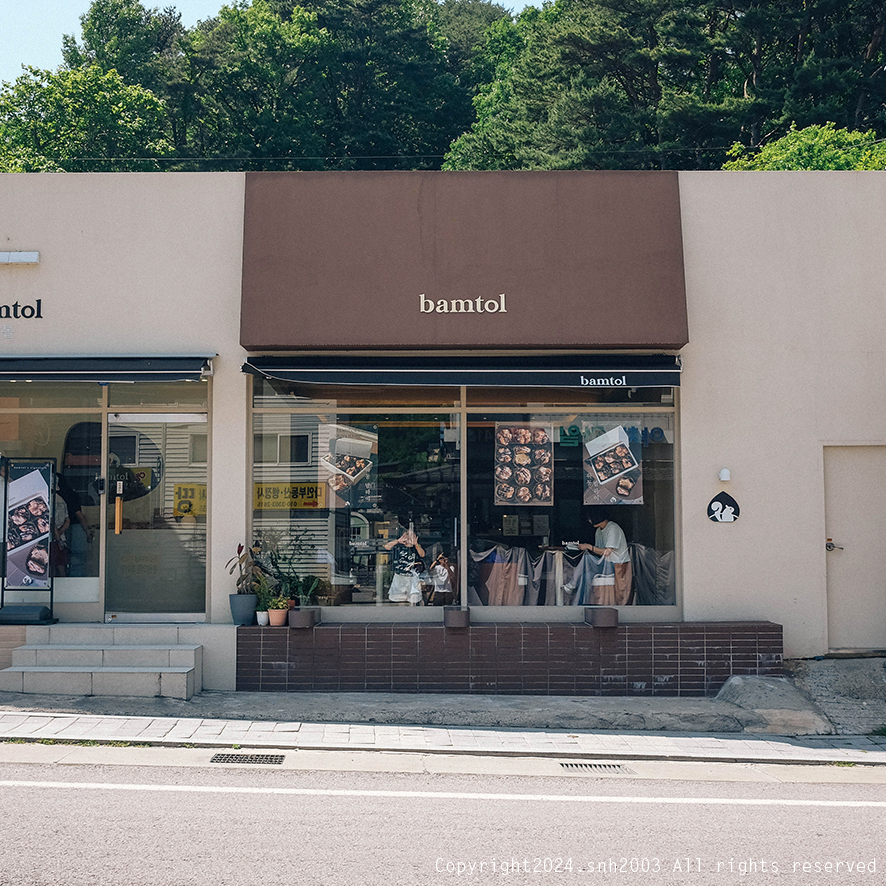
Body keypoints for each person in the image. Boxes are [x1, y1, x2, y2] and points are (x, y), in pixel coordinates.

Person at [579, 508, 633, 606]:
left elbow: (607, 552)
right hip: (606, 564)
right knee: (586, 572)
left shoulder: (613, 528)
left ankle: (572, 585)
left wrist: (589, 547)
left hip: (618, 565)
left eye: (590, 518)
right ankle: (576, 590)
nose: (589, 521)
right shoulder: (599, 531)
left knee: (586, 561)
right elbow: (599, 551)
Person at [383, 524, 425, 605]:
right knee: (400, 599)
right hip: (400, 575)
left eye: (412, 535)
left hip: (412, 576)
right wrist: (398, 541)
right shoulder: (398, 546)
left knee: (413, 599)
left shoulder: (416, 547)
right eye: (407, 535)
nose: (409, 537)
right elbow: (387, 547)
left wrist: (416, 544)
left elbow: (422, 554)